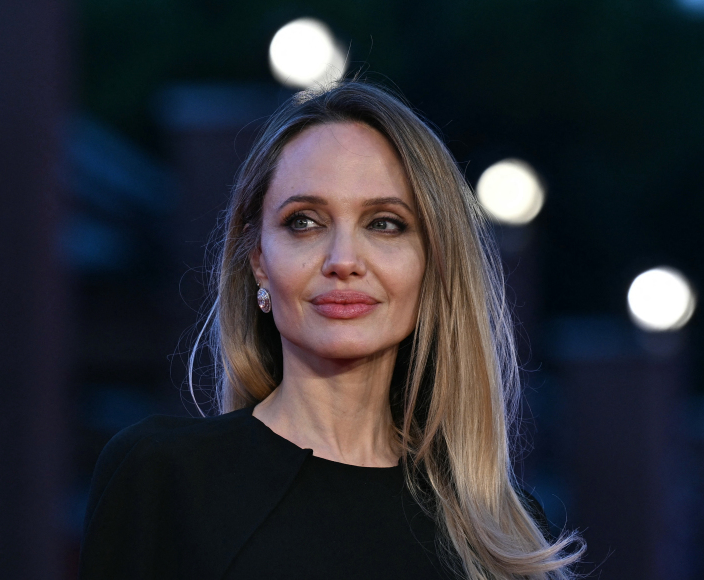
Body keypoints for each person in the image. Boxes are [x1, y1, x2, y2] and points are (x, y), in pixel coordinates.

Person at [78, 81, 583, 580]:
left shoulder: (501, 533)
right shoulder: (162, 477)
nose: (343, 261)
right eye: (304, 222)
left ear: (433, 265)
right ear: (259, 262)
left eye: (384, 223)